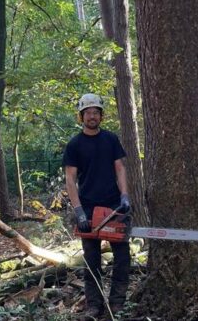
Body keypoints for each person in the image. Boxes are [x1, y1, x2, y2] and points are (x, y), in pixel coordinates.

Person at [63, 93, 132, 319]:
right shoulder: (74, 145)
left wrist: (124, 196)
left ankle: (117, 303)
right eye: (88, 113)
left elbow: (120, 168)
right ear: (81, 116)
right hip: (89, 208)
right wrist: (79, 211)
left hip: (113, 206)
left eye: (96, 112)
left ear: (101, 116)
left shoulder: (111, 139)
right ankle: (94, 305)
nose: (92, 116)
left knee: (122, 258)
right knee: (91, 262)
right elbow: (70, 179)